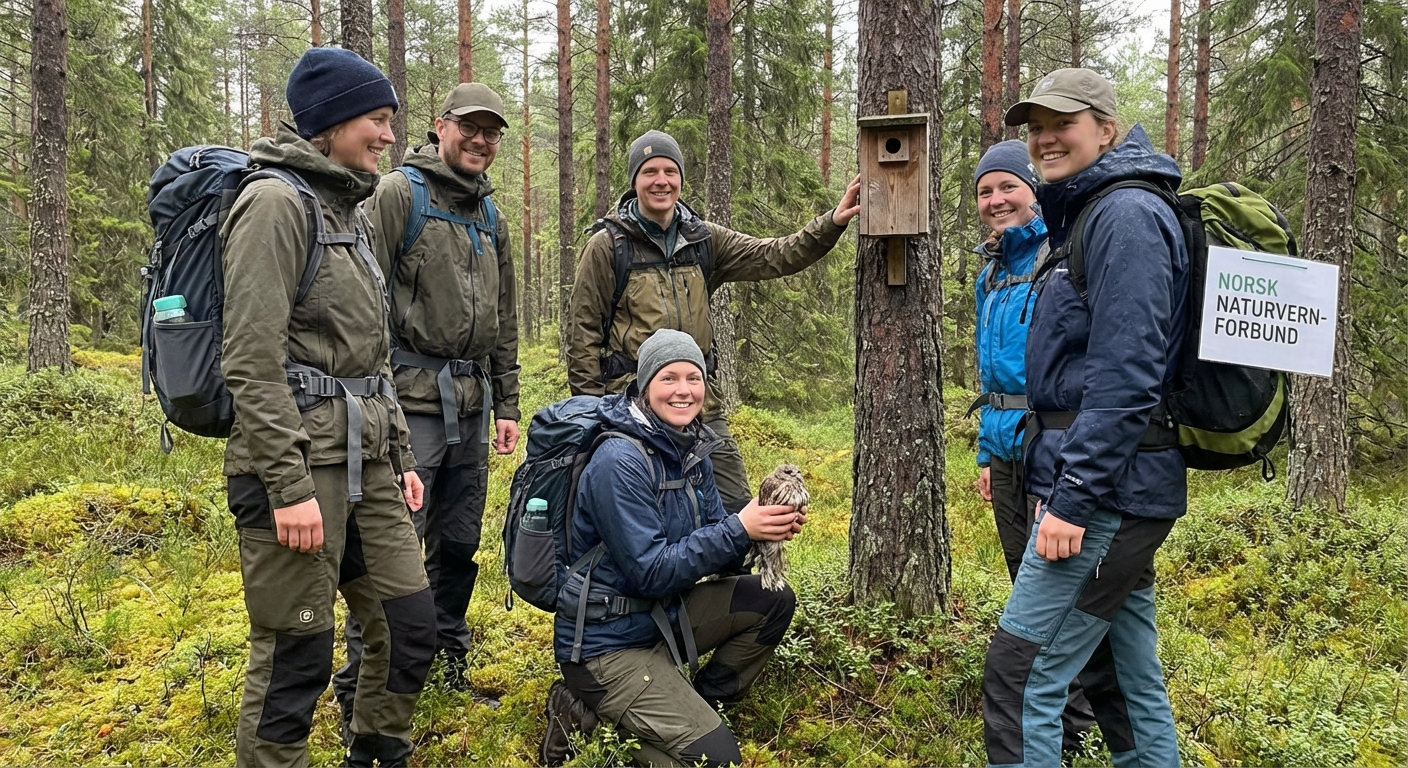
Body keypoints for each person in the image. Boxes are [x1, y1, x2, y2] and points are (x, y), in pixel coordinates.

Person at [220, 47, 435, 767]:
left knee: (409, 628)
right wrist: (287, 488)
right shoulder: (274, 204)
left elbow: (373, 358)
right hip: (297, 471)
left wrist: (400, 456)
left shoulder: (351, 209)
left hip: (368, 465)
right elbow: (250, 360)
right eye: (377, 119)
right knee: (295, 657)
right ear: (332, 122)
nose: (389, 135)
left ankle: (375, 752)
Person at [981, 69, 1189, 768]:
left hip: (1109, 492)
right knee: (1123, 677)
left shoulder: (1125, 215)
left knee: (1020, 678)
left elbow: (1127, 376)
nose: (1045, 138)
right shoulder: (1092, 212)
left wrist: (1073, 497)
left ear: (1105, 129)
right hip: (1114, 483)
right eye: (1035, 128)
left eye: (1061, 124)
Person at [332, 82, 520, 712]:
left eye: (491, 133)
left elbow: (504, 317)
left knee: (459, 543)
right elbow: (366, 303)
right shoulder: (398, 194)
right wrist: (379, 405)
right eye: (470, 127)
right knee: (393, 549)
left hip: (472, 404)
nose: (480, 141)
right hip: (408, 404)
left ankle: (446, 664)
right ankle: (364, 685)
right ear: (441, 127)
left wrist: (507, 403)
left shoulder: (492, 217)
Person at [541, 329, 806, 767]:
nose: (684, 390)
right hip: (606, 646)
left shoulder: (690, 449)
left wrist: (761, 531)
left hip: (660, 619)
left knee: (771, 600)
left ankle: (699, 705)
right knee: (718, 764)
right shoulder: (618, 461)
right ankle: (586, 720)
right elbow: (650, 572)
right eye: (669, 378)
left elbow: (718, 543)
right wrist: (739, 528)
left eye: (693, 378)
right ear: (645, 385)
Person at [566, 129, 861, 516]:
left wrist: (832, 222)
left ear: (681, 179)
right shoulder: (608, 246)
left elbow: (774, 255)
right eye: (649, 171)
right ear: (634, 180)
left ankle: (731, 558)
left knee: (736, 509)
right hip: (633, 406)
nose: (661, 181)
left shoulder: (703, 239)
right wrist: (593, 415)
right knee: (643, 511)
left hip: (698, 403)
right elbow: (582, 335)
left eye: (670, 171)